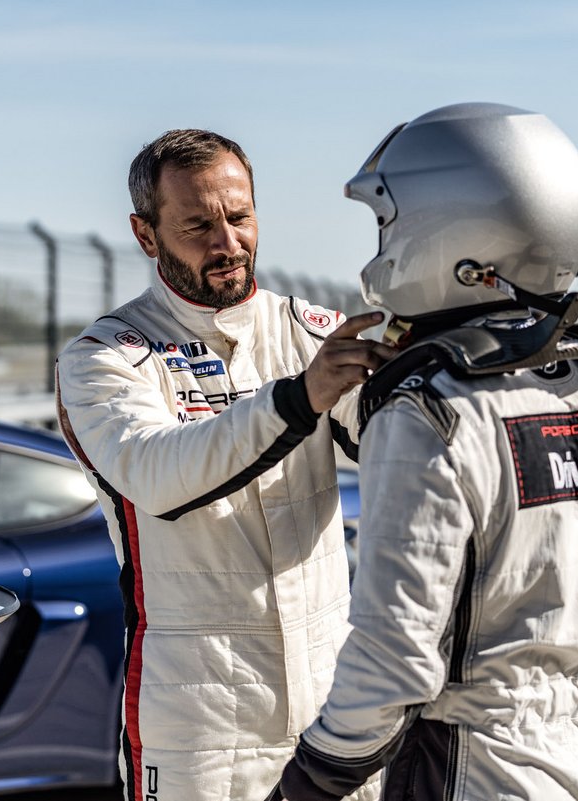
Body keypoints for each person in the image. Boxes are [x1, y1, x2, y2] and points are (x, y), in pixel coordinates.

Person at [271, 103, 578, 801]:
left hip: (465, 775)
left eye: (387, 220)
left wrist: (303, 784)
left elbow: (391, 663)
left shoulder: (429, 410)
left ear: (451, 232)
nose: (382, 242)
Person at [55, 128, 392, 801]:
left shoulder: (311, 331)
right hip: (200, 726)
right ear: (146, 235)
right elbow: (158, 475)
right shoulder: (103, 357)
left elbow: (393, 440)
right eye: (198, 225)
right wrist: (299, 398)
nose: (227, 242)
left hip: (332, 705)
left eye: (238, 217)